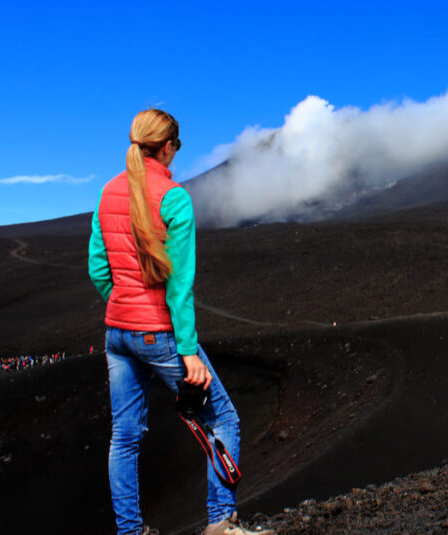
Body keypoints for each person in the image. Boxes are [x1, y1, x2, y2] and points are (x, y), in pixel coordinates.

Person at [88, 109, 272, 535]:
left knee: (125, 437)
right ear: (168, 146)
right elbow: (179, 286)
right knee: (223, 419)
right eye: (177, 147)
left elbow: (100, 268)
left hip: (117, 333)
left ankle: (130, 532)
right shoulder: (174, 198)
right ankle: (220, 524)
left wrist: (124, 308)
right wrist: (188, 352)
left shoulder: (107, 193)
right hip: (160, 334)